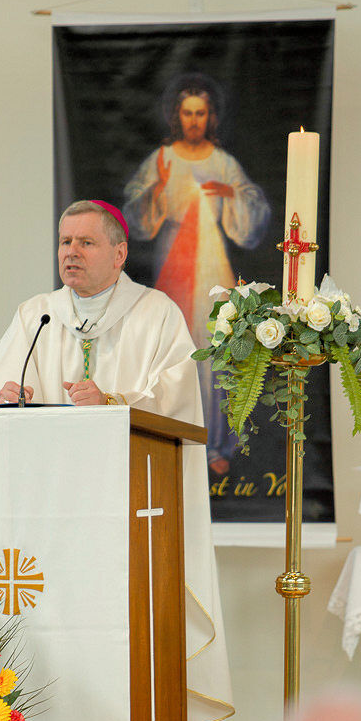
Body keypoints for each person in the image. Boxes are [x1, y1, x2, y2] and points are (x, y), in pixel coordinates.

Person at [0, 199, 234, 721]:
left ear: (119, 252)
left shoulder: (156, 313)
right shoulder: (36, 314)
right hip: (53, 514)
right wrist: (5, 393)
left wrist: (112, 400)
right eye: (65, 242)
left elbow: (178, 400)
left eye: (85, 243)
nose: (71, 253)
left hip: (133, 509)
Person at [123, 73, 270, 472]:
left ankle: (216, 444)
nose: (193, 120)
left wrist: (232, 194)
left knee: (214, 345)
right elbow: (136, 213)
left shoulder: (222, 162)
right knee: (176, 348)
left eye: (200, 113)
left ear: (210, 117)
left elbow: (252, 208)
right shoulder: (161, 159)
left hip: (212, 267)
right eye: (187, 113)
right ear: (177, 115)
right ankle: (175, 436)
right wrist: (157, 190)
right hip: (173, 262)